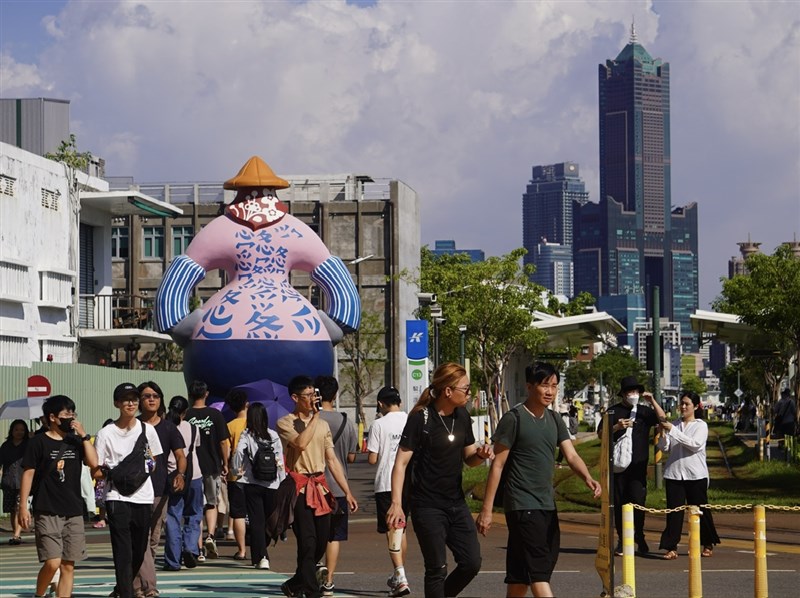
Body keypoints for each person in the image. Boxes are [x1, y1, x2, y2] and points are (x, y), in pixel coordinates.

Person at [476, 362, 601, 598]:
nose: (550, 392)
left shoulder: (554, 419)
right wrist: (487, 510)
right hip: (522, 505)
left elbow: (571, 455)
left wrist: (588, 478)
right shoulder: (514, 419)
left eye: (554, 386)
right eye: (545, 385)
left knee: (521, 574)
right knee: (539, 572)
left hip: (546, 504)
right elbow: (498, 465)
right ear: (530, 386)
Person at [387, 362, 494, 598]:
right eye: (465, 389)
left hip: (455, 503)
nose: (469, 393)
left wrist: (480, 455)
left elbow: (469, 458)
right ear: (448, 391)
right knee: (436, 568)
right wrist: (396, 504)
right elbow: (401, 463)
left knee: (471, 562)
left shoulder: (462, 416)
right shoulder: (420, 419)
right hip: (427, 506)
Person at [277, 375, 358, 598]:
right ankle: (312, 592)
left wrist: (348, 491)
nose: (313, 398)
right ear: (295, 398)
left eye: (315, 394)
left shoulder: (323, 425)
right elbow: (300, 444)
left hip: (321, 488)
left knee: (323, 540)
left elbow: (332, 460)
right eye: (308, 395)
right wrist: (314, 417)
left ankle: (295, 583)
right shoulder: (285, 422)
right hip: (299, 487)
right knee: (308, 542)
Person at [18, 394, 98, 598]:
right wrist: (23, 507)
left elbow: (93, 463)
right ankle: (39, 594)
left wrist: (84, 436)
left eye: (73, 413)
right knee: (53, 562)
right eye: (66, 414)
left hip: (73, 509)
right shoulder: (38, 442)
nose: (71, 417)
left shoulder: (75, 441)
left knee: (68, 565)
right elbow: (28, 473)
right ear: (52, 417)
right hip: (47, 509)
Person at [93, 383, 164, 598]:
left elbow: (155, 461)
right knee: (122, 550)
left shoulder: (147, 430)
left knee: (139, 550)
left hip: (143, 496)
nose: (131, 403)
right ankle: (126, 593)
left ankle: (120, 588)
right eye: (126, 399)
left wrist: (141, 470)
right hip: (117, 496)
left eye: (134, 399)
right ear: (117, 403)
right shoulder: (105, 433)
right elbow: (96, 470)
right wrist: (117, 474)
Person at [599, 375, 666, 555]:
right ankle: (622, 540)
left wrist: (652, 400)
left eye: (636, 391)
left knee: (638, 503)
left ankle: (640, 538)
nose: (633, 394)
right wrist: (616, 427)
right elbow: (600, 435)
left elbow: (663, 419)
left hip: (638, 468)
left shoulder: (644, 412)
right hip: (618, 469)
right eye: (630, 391)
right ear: (623, 394)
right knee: (620, 504)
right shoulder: (613, 412)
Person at [134, 381, 187, 598]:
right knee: (141, 539)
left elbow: (181, 456)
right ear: (139, 400)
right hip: (134, 491)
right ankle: (147, 587)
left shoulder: (168, 428)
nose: (152, 399)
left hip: (159, 489)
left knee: (152, 541)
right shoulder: (133, 425)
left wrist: (180, 474)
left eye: (155, 395)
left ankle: (138, 585)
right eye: (147, 396)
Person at [657, 391, 721, 560]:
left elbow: (695, 445)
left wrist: (673, 431)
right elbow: (665, 448)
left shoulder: (700, 425)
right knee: (674, 512)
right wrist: (663, 433)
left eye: (687, 404)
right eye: (682, 403)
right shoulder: (675, 424)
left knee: (700, 510)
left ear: (695, 406)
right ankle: (671, 546)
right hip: (674, 474)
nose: (683, 407)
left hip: (695, 475)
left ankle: (707, 542)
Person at [314, 375, 358, 597]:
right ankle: (329, 581)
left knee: (313, 532)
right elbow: (351, 457)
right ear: (336, 394)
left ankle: (313, 567)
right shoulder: (346, 421)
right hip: (339, 489)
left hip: (314, 488)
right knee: (334, 535)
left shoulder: (311, 420)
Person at [367, 386, 411, 597]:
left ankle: (400, 576)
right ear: (399, 402)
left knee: (392, 531)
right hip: (408, 485)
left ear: (380, 404)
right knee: (401, 530)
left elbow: (372, 458)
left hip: (386, 484)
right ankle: (398, 573)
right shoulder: (410, 420)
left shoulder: (378, 424)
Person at [232, 402, 286, 569]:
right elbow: (280, 460)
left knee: (256, 520)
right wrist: (282, 479)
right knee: (269, 520)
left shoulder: (246, 435)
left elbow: (239, 453)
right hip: (272, 484)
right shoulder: (273, 435)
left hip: (251, 482)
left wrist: (236, 470)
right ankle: (261, 553)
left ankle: (260, 556)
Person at [185, 379, 231, 560]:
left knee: (196, 507)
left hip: (191, 468)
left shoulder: (186, 415)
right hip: (212, 466)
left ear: (190, 395)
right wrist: (225, 463)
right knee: (211, 503)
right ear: (206, 394)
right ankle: (210, 536)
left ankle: (198, 548)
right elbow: (223, 442)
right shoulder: (215, 415)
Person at [162, 396, 203, 571]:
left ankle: (173, 560)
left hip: (171, 477)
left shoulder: (162, 427)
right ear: (185, 412)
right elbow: (195, 448)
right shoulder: (193, 429)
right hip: (193, 475)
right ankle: (191, 548)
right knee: (194, 515)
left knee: (172, 517)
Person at [224, 388, 249, 560]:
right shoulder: (256, 424)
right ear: (247, 404)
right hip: (257, 475)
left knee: (238, 513)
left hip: (236, 474)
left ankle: (241, 550)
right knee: (256, 513)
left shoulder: (230, 426)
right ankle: (260, 550)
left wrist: (225, 467)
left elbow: (226, 452)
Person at [1, 419, 29, 545]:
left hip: (23, 481)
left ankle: (17, 535)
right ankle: (15, 533)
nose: (19, 432)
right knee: (12, 509)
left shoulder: (29, 445)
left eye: (22, 430)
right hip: (8, 481)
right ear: (12, 431)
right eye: (16, 429)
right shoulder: (6, 446)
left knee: (19, 507)